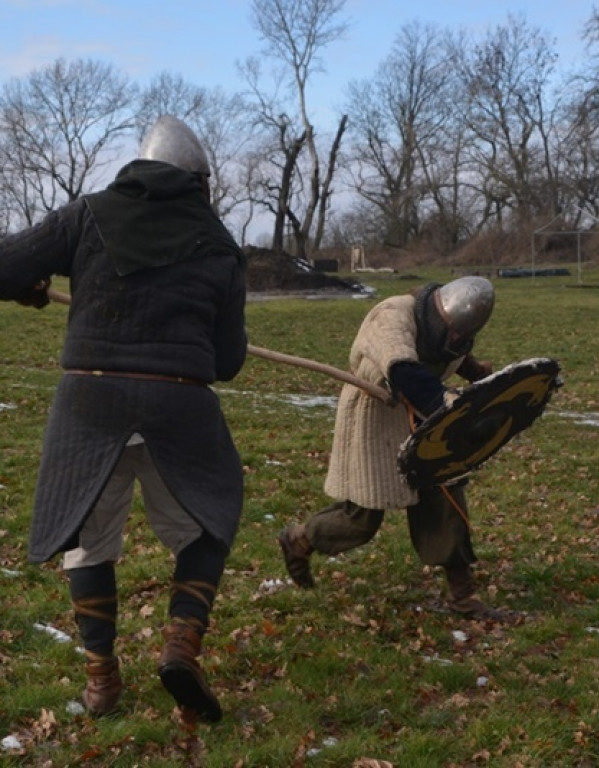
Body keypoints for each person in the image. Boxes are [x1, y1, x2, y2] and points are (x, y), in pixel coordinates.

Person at [0, 115, 248, 722]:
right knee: (207, 525)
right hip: (179, 401)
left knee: (88, 544)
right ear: (197, 179)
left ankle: (101, 681)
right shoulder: (219, 242)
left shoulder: (87, 215)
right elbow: (228, 360)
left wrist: (29, 283)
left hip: (92, 399)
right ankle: (180, 645)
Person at [278, 276, 513, 620]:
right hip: (376, 418)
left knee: (445, 496)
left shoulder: (449, 334)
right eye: (453, 333)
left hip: (427, 418)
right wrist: (445, 404)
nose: (456, 341)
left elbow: (449, 351)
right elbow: (403, 368)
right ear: (439, 316)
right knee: (361, 519)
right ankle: (299, 539)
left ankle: (462, 596)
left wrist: (475, 371)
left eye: (461, 338)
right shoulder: (390, 315)